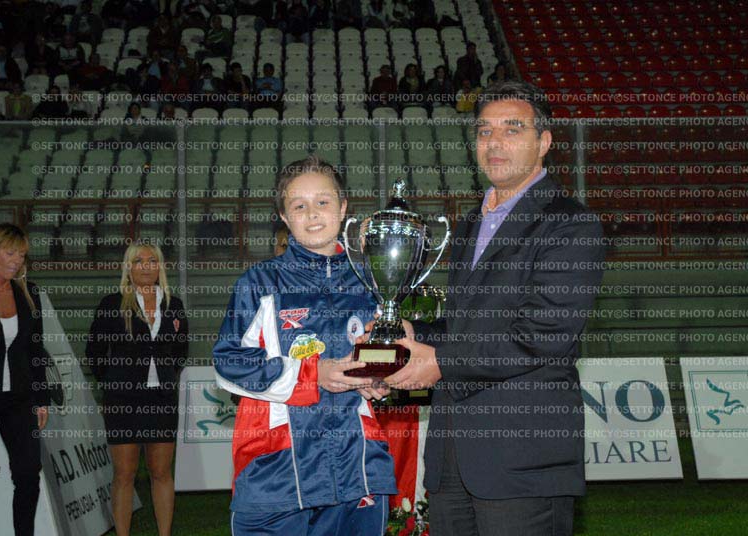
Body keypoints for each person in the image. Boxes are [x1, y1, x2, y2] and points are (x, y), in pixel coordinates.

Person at [374, 80, 606, 535]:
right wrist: (409, 337)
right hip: (453, 460)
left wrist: (439, 362)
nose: (494, 142)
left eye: (512, 129)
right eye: (484, 131)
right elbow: (467, 327)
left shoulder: (570, 224)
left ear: (544, 142)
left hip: (523, 461)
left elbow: (540, 335)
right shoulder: (471, 223)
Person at [213, 155, 396, 536]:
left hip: (359, 467)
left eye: (323, 202)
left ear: (343, 208)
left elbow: (385, 357)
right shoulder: (260, 283)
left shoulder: (372, 283)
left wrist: (382, 381)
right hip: (276, 474)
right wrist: (313, 375)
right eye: (299, 206)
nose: (312, 214)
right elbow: (228, 363)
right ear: (284, 216)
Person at [85, 242, 189, 536]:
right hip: (123, 401)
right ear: (128, 267)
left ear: (160, 266)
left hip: (162, 400)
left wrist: (165, 378)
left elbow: (180, 351)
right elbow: (94, 352)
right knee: (124, 475)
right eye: (139, 260)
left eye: (152, 260)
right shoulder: (112, 304)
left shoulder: (174, 305)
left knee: (161, 473)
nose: (146, 266)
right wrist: (114, 382)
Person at [0, 223, 51, 536]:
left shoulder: (29, 293)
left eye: (21, 254)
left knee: (29, 473)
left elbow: (35, 349)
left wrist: (41, 399)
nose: (17, 260)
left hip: (19, 398)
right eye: (10, 252)